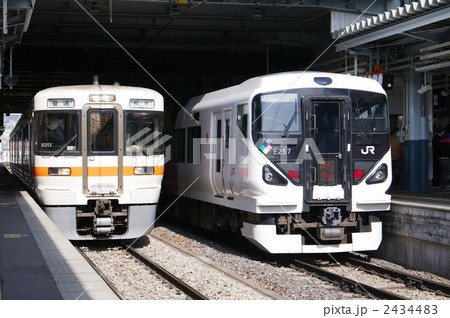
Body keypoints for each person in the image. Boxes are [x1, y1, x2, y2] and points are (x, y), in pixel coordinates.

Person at [438, 124, 450, 190]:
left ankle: (443, 185)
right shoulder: (449, 137)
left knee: (444, 172)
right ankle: (445, 186)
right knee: (447, 173)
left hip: (441, 158)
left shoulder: (442, 137)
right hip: (447, 158)